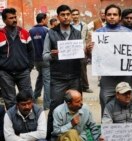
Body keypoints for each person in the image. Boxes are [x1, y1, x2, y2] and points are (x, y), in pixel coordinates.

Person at [43, 5, 90, 139]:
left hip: (75, 77)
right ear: (58, 17)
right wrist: (53, 55)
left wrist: (87, 51)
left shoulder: (77, 33)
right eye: (62, 14)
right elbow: (44, 56)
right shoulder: (50, 33)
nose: (66, 17)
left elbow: (82, 57)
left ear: (71, 15)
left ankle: (76, 136)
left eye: (68, 14)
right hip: (58, 78)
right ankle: (51, 136)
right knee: (55, 108)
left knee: (76, 107)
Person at [95, 4, 132, 115]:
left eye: (115, 14)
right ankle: (106, 131)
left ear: (120, 17)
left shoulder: (129, 33)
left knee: (129, 107)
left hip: (125, 77)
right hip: (107, 78)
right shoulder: (98, 34)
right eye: (109, 14)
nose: (112, 17)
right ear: (105, 16)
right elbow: (90, 56)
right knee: (106, 108)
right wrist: (89, 49)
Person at [0, 8, 34, 109]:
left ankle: (28, 122)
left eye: (15, 17)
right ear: (4, 20)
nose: (14, 20)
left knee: (27, 98)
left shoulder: (24, 33)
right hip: (5, 74)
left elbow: (31, 52)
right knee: (10, 101)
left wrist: (29, 67)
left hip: (23, 72)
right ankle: (13, 122)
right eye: (11, 18)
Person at [29, 13, 50, 110]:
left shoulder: (30, 31)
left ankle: (34, 96)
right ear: (43, 20)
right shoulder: (46, 30)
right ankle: (47, 105)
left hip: (35, 60)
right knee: (47, 81)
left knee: (40, 77)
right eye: (46, 19)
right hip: (45, 59)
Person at [71, 8, 93, 93]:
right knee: (72, 68)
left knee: (83, 69)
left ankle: (85, 86)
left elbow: (87, 37)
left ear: (79, 15)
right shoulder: (69, 25)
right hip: (71, 51)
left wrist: (86, 47)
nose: (75, 16)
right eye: (73, 14)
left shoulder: (84, 25)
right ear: (71, 16)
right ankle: (73, 87)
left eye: (77, 14)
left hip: (82, 50)